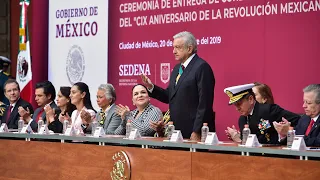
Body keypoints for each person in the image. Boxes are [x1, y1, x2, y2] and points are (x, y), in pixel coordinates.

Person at [141, 31, 215, 140]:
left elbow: (205, 103)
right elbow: (169, 96)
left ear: (189, 49)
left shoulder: (202, 67)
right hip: (177, 131)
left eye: (178, 47)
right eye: (173, 47)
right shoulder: (177, 69)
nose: (174, 51)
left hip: (194, 132)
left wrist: (197, 131)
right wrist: (151, 87)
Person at [224, 83, 300, 144]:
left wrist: (288, 131)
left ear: (250, 99)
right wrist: (238, 138)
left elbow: (299, 120)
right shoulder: (242, 119)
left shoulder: (268, 110)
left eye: (239, 104)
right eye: (235, 105)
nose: (237, 108)